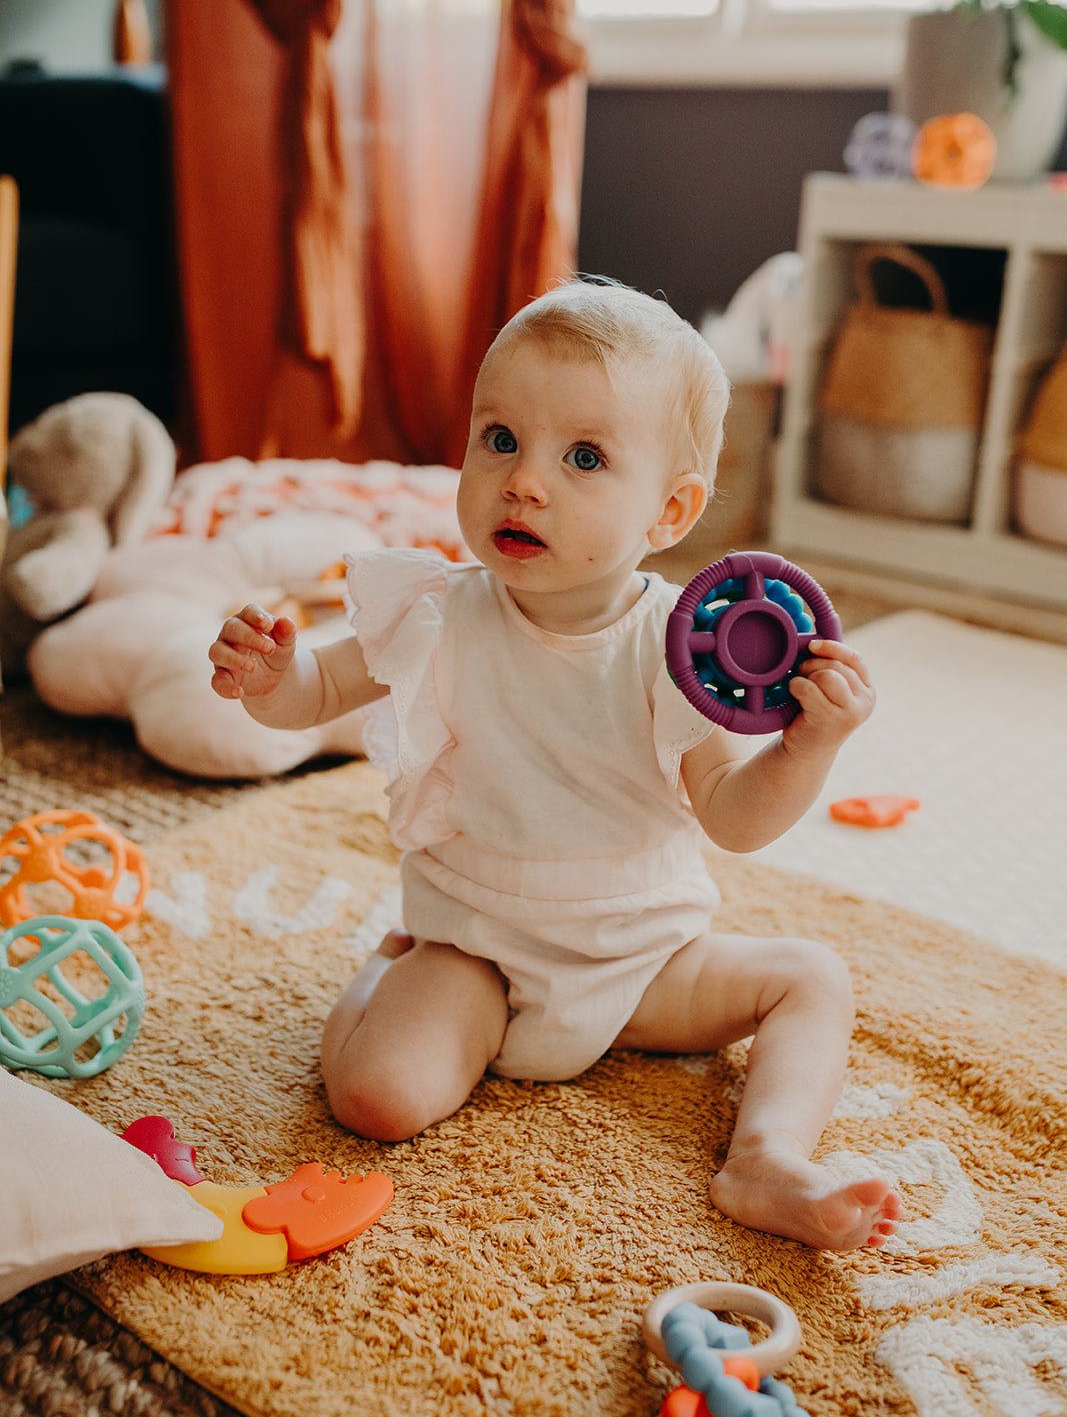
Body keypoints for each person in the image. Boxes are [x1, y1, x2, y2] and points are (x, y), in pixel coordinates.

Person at [209, 279, 902, 1251]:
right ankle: (383, 971)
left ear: (669, 511)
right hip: (475, 948)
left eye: (582, 457)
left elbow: (736, 819)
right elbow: (310, 696)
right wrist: (272, 673)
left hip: (645, 958)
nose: (524, 481)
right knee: (375, 1098)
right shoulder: (433, 613)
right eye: (499, 439)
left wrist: (808, 742)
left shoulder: (676, 645)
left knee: (811, 978)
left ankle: (767, 1155)